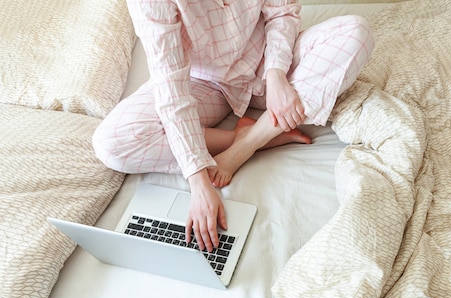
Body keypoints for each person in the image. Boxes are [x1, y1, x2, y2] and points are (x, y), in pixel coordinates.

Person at [93, 0, 374, 252]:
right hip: (202, 82)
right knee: (112, 143)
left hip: (266, 65)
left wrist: (276, 74)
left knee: (355, 33)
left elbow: (282, 12)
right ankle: (244, 135)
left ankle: (250, 142)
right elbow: (172, 93)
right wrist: (199, 183)